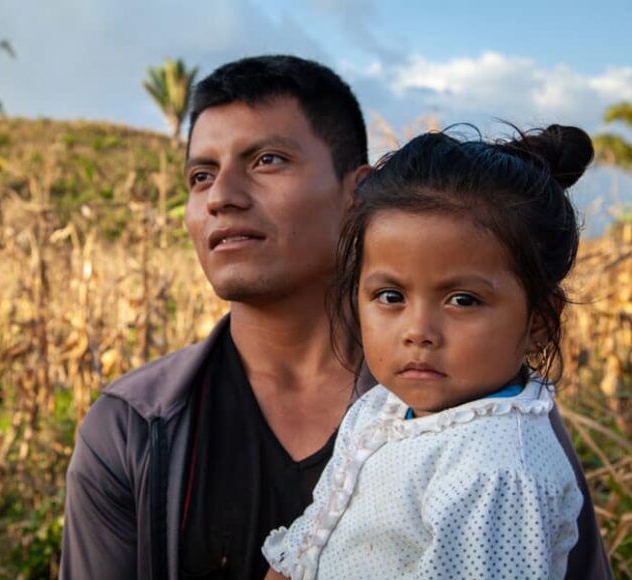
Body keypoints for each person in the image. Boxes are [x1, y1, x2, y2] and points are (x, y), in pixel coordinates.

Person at [59, 55, 610, 580]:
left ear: (358, 192)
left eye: (266, 160)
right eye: (201, 175)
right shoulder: (131, 428)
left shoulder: (489, 418)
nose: (220, 197)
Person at [262, 126, 610, 579]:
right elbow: (312, 540)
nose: (418, 331)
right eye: (390, 296)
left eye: (462, 300)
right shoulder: (382, 408)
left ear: (538, 323)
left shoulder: (499, 469)